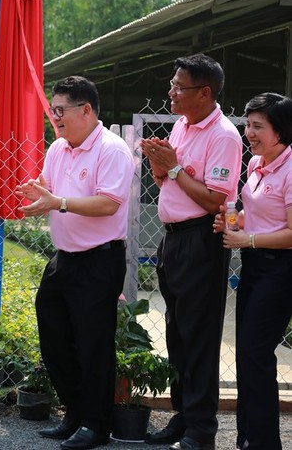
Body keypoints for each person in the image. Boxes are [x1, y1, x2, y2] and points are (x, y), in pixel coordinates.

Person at [15, 76, 133, 450]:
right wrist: (38, 191)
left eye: (60, 110)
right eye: (53, 110)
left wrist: (58, 202)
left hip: (99, 261)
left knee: (93, 344)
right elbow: (49, 186)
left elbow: (108, 203)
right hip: (64, 258)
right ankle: (75, 412)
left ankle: (96, 424)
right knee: (54, 338)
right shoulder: (59, 148)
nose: (56, 117)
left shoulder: (112, 151)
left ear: (86, 110)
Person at [140, 54, 242, 450]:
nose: (172, 92)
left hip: (202, 239)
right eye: (172, 83)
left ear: (205, 92)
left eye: (180, 87)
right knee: (178, 334)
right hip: (174, 239)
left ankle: (202, 430)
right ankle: (183, 419)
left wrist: (176, 168)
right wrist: (160, 165)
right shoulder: (182, 125)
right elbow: (171, 179)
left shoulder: (224, 137)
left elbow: (217, 201)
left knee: (198, 338)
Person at [212, 93, 292, 450]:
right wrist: (236, 221)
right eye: (248, 124)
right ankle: (249, 438)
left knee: (254, 351)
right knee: (247, 352)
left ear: (282, 130)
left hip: (281, 268)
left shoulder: (290, 168)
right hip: (257, 265)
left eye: (259, 126)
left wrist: (250, 239)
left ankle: (261, 443)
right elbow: (260, 213)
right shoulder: (256, 164)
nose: (249, 133)